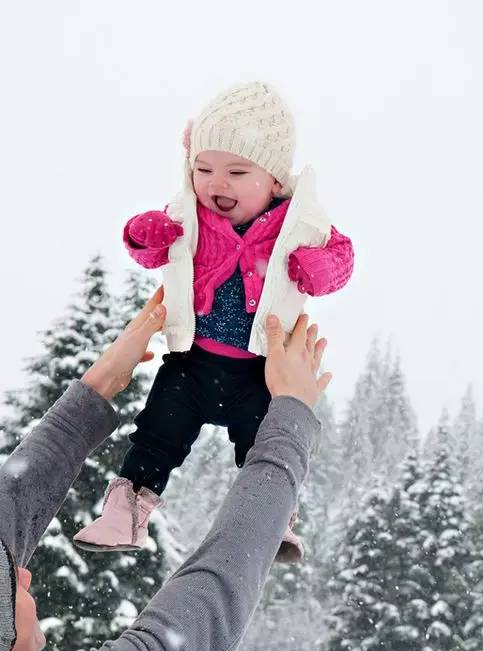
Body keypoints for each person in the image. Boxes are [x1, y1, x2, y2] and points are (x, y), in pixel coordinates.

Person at [0, 289, 330, 651]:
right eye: (9, 582)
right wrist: (290, 416)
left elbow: (10, 509)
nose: (24, 574)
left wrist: (100, 385)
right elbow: (216, 587)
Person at [73, 80, 354, 562]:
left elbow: (341, 256)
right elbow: (145, 245)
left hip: (259, 371)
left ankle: (272, 519)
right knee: (158, 431)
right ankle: (127, 509)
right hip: (192, 363)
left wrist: (317, 267)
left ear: (275, 180)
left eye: (236, 171)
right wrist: (147, 235)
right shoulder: (189, 216)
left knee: (263, 442)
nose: (215, 183)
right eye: (203, 168)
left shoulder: (299, 224)